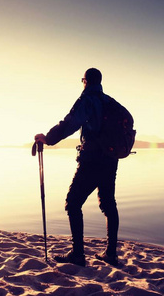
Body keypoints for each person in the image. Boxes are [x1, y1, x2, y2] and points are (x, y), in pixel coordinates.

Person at [35, 68, 121, 267]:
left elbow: (69, 124)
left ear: (85, 81)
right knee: (109, 204)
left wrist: (48, 138)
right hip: (111, 159)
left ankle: (78, 254)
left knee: (73, 203)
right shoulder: (110, 102)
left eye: (82, 80)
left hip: (92, 159)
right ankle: (110, 254)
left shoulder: (88, 99)